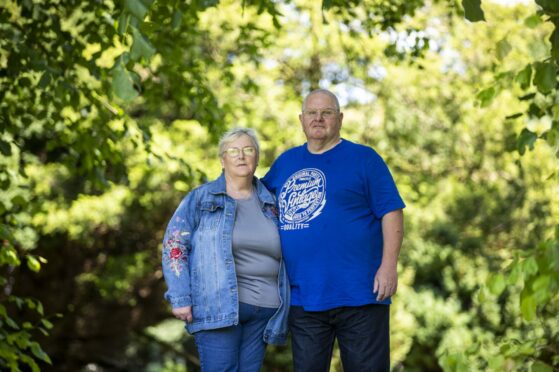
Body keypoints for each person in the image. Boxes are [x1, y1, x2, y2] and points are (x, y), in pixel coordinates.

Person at [262, 89, 405, 372]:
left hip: (361, 293)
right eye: (312, 113)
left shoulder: (364, 159)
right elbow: (257, 206)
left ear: (339, 119)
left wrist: (389, 266)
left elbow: (392, 212)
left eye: (326, 112)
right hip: (304, 296)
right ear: (301, 120)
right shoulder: (285, 164)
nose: (318, 118)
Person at [161, 127, 290, 372]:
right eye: (233, 151)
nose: (241, 156)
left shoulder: (272, 202)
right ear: (222, 159)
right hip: (217, 306)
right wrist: (180, 297)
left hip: (265, 311)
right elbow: (174, 245)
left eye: (248, 150)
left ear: (257, 157)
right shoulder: (201, 199)